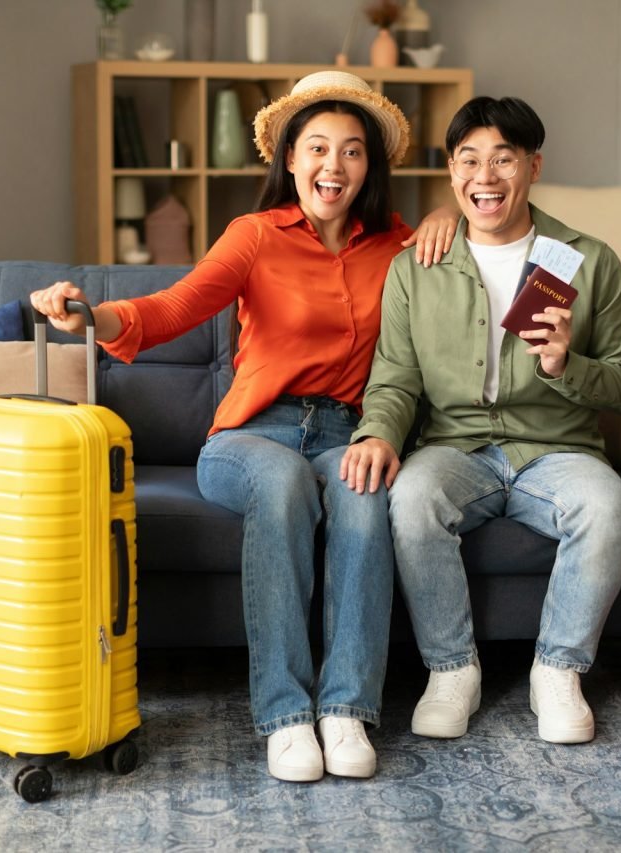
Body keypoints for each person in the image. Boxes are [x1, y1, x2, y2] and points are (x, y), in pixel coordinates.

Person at [30, 71, 457, 783]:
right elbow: (173, 308)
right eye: (317, 147)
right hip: (249, 437)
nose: (334, 165)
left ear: (369, 167)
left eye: (352, 151)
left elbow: (472, 266)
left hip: (346, 434)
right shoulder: (254, 236)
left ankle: (347, 709)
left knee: (366, 494)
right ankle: (287, 717)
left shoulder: (397, 247)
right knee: (284, 479)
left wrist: (447, 212)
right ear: (289, 159)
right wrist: (90, 317)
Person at [340, 96, 621, 744]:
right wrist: (377, 432)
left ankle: (557, 672)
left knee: (609, 507)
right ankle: (452, 671)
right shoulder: (416, 266)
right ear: (452, 172)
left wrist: (569, 365)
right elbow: (395, 377)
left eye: (504, 159)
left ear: (534, 166)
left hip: (557, 448)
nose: (487, 176)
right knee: (413, 495)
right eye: (470, 159)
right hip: (454, 446)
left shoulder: (585, 260)